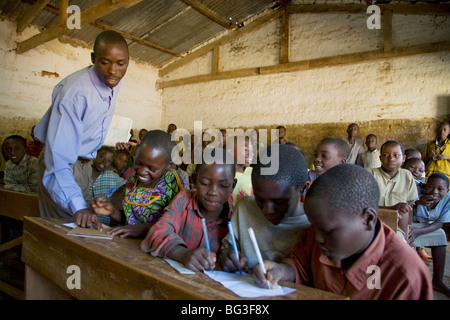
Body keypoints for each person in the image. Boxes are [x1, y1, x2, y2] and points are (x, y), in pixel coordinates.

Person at [252, 164, 433, 300]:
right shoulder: (319, 233)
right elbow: (300, 267)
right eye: (314, 227)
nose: (317, 238)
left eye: (327, 231)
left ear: (368, 220)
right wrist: (281, 271)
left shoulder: (405, 276)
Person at [33, 30, 130, 228]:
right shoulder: (76, 93)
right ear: (93, 58)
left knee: (83, 229)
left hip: (85, 165)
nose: (113, 70)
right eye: (105, 62)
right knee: (62, 229)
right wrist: (78, 206)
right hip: (63, 167)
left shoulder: (113, 80)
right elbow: (57, 161)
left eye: (121, 63)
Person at [140, 147, 235, 272]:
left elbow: (237, 253)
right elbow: (157, 233)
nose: (213, 192)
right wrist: (184, 254)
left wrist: (232, 258)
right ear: (194, 180)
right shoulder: (184, 200)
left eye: (223, 186)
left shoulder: (234, 218)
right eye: (205, 183)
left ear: (233, 186)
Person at [219, 144, 311, 273]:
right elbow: (228, 249)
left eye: (279, 201)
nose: (268, 210)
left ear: (302, 189)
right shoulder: (244, 209)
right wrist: (227, 256)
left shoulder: (313, 225)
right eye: (260, 199)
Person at [91, 130, 186, 238]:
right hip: (126, 243)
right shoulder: (133, 179)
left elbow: (179, 225)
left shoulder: (173, 184)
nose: (141, 171)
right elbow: (128, 218)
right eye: (138, 163)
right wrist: (113, 211)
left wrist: (143, 229)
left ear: (169, 165)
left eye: (151, 168)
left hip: (154, 247)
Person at [367, 140, 418, 241]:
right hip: (372, 223)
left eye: (396, 155)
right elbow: (363, 205)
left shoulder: (407, 176)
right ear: (380, 158)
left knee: (399, 243)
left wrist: (405, 234)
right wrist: (391, 208)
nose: (391, 159)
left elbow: (408, 207)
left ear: (403, 158)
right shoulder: (370, 174)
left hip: (397, 227)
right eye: (386, 155)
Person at [409, 172, 450, 297]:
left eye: (440, 189)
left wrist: (419, 232)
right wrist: (416, 202)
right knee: (406, 238)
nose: (434, 191)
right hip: (410, 224)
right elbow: (404, 207)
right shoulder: (416, 190)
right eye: (430, 187)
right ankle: (410, 281)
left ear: (447, 190)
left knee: (440, 235)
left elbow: (439, 223)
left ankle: (437, 281)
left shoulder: (448, 199)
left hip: (425, 227)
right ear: (425, 186)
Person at [226, 135, 255, 206]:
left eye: (251, 150)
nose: (251, 154)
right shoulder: (224, 176)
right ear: (231, 152)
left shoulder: (253, 172)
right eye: (245, 150)